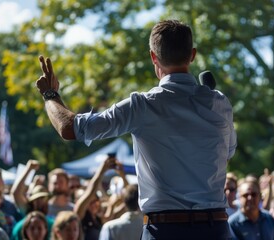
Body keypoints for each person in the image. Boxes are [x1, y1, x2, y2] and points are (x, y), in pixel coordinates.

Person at [35, 19, 237, 239]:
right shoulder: (220, 104)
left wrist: (50, 95)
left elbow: (70, 128)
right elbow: (227, 153)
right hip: (215, 229)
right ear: (192, 54)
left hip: (165, 231)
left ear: (153, 57)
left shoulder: (142, 106)